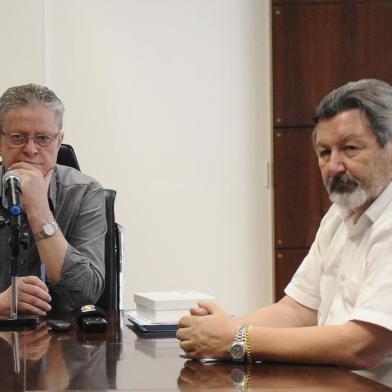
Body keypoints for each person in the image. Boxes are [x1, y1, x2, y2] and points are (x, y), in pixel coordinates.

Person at [176, 79, 392, 370]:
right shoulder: (339, 216)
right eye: (325, 152)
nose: (333, 166)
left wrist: (234, 338)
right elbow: (299, 310)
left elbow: (363, 345)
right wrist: (217, 330)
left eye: (350, 148)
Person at [0, 83, 106, 315]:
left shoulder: (85, 193)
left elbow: (85, 294)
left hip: (65, 342)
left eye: (43, 138)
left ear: (59, 141)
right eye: (18, 137)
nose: (30, 149)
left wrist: (39, 209)